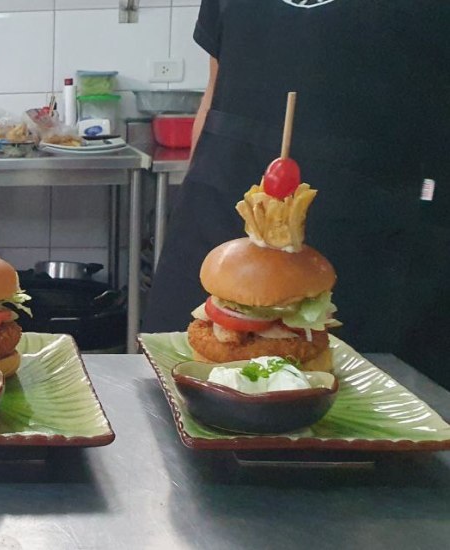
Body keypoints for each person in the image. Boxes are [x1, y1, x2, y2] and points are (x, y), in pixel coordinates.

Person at [143, 1, 450, 386]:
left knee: (359, 409)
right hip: (218, 210)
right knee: (171, 395)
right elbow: (214, 94)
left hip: (379, 242)